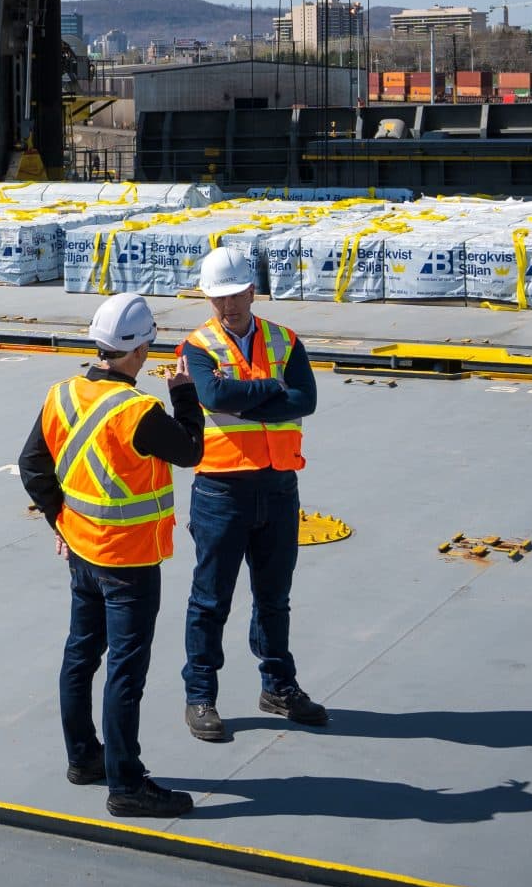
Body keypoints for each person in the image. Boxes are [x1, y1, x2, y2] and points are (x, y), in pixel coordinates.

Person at [17, 292, 208, 818]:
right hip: (128, 561)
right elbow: (192, 450)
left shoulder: (61, 394)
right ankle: (126, 784)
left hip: (82, 553)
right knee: (126, 670)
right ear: (141, 349)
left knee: (81, 654)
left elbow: (32, 465)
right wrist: (185, 393)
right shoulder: (138, 410)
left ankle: (83, 758)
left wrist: (61, 521)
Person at [177, 245, 326, 742]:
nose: (228, 306)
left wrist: (248, 394)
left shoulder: (286, 339)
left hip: (279, 486)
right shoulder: (197, 346)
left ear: (252, 291)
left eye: (236, 295)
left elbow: (305, 399)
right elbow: (214, 397)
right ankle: (200, 694)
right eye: (218, 298)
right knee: (210, 599)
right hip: (221, 489)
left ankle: (278, 686)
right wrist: (271, 391)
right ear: (208, 298)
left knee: (274, 598)